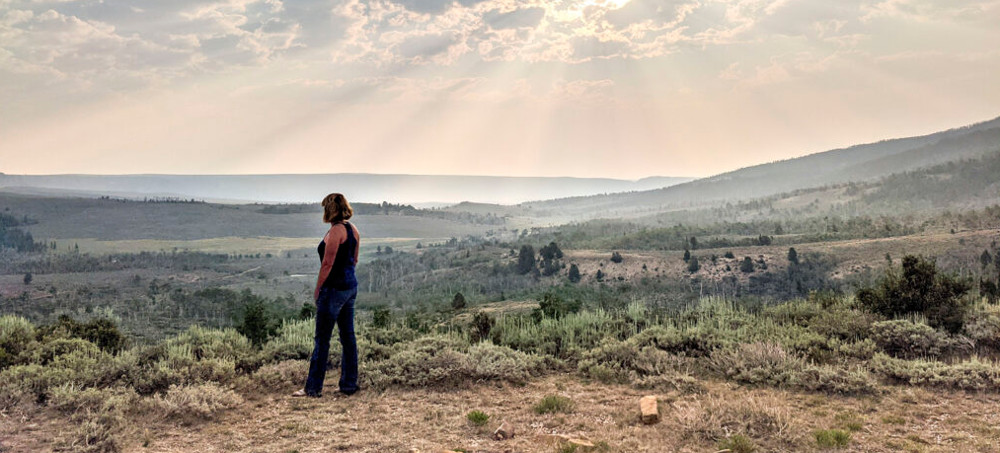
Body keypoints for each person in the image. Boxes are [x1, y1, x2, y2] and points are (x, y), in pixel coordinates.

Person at [292, 193, 360, 397]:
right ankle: (348, 385)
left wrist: (318, 288)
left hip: (333, 290)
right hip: (350, 287)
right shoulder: (353, 229)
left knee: (322, 339)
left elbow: (327, 264)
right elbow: (355, 259)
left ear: (330, 209)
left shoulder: (335, 232)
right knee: (348, 337)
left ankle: (313, 388)